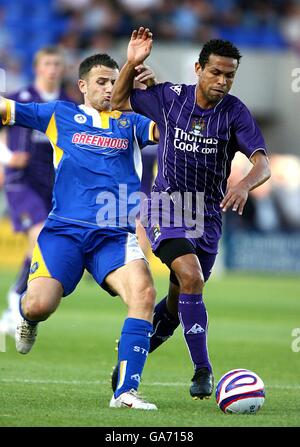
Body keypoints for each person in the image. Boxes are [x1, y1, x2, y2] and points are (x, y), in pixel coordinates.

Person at [110, 27, 271, 400]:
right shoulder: (170, 98)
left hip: (207, 218)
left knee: (176, 299)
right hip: (163, 206)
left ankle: (133, 355)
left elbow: (262, 163)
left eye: (230, 75)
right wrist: (132, 63)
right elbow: (118, 101)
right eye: (216, 72)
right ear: (198, 69)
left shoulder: (234, 113)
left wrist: (244, 184)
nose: (222, 81)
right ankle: (203, 369)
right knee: (191, 276)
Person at [0, 53, 160, 410]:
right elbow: (7, 108)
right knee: (40, 304)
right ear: (83, 86)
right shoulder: (60, 114)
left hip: (114, 236)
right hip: (64, 232)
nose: (108, 88)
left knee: (144, 293)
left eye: (115, 81)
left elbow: (170, 128)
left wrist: (154, 95)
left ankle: (125, 392)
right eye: (101, 82)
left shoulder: (133, 121)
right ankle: (27, 318)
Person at [0, 47, 70, 336]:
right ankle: (17, 299)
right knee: (40, 234)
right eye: (47, 64)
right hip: (22, 180)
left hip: (53, 184)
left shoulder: (68, 104)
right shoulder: (18, 98)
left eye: (56, 64)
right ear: (37, 67)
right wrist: (5, 157)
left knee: (44, 243)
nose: (52, 69)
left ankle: (14, 303)